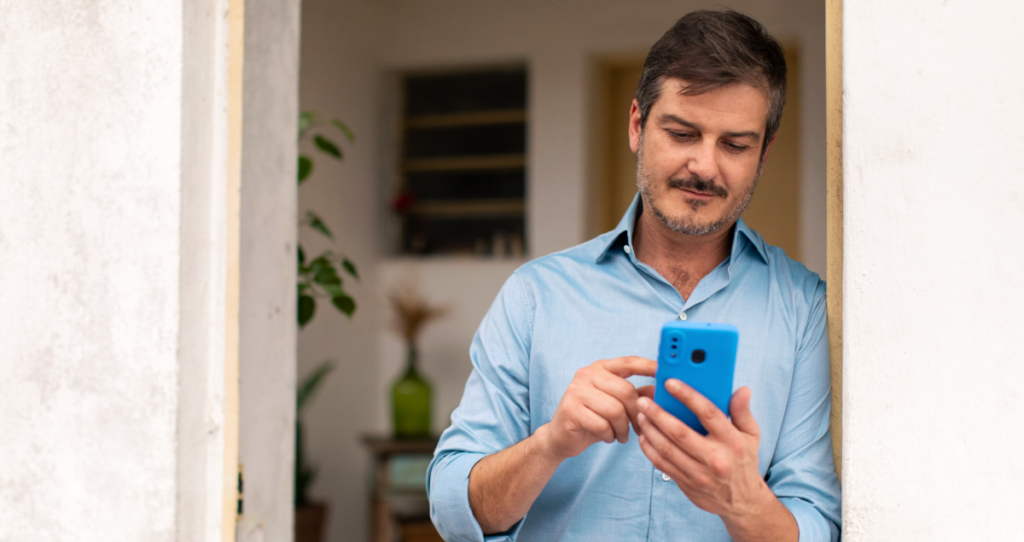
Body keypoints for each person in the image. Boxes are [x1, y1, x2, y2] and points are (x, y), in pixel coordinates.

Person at [427, 9, 840, 542]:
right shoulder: (535, 297)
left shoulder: (804, 309)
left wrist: (745, 503)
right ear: (637, 126)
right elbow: (452, 506)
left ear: (764, 154)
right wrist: (550, 443)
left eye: (735, 145)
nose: (705, 167)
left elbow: (818, 524)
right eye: (682, 133)